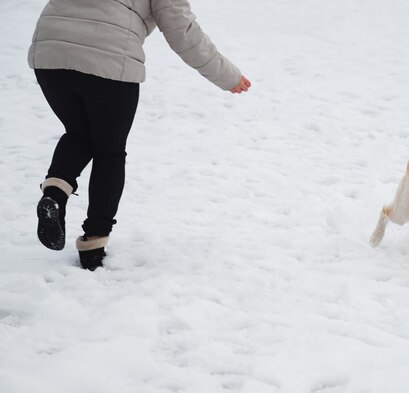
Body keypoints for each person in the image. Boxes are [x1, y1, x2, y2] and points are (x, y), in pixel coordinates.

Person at [29, 0, 250, 270]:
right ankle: (93, 244)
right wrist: (228, 76)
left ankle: (55, 193)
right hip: (109, 58)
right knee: (108, 151)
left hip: (50, 51)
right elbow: (182, 30)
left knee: (79, 133)